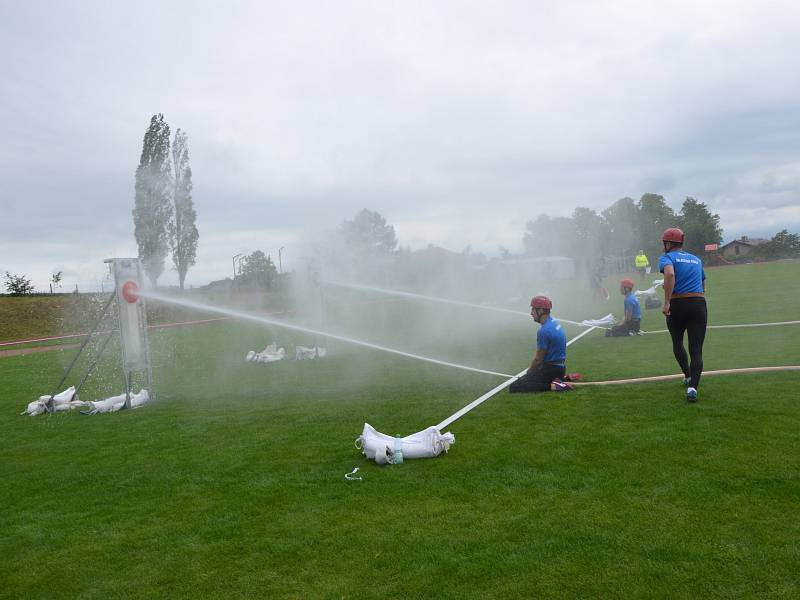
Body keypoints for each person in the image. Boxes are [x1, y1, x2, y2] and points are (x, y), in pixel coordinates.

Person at [659, 227, 707, 403]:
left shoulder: (667, 257)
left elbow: (670, 274)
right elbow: (703, 282)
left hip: (678, 303)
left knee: (677, 342)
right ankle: (693, 387)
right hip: (698, 303)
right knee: (696, 349)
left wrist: (667, 301)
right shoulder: (696, 259)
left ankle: (687, 375)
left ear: (669, 243)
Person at [510, 295, 572, 393]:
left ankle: (554, 386)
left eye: (533, 310)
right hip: (560, 368)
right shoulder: (554, 323)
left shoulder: (544, 331)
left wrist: (529, 373)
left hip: (550, 370)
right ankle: (563, 378)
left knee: (515, 386)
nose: (531, 313)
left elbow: (538, 359)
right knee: (528, 379)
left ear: (541, 311)